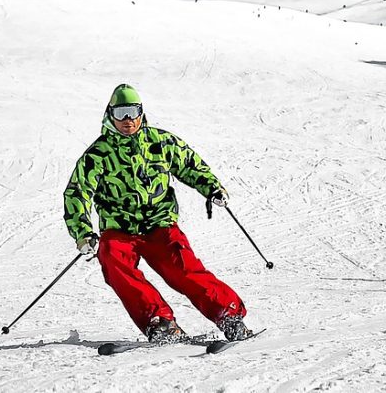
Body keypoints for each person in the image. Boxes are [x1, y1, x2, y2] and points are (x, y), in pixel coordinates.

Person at [63, 83, 253, 343]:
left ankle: (228, 315)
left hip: (159, 224)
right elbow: (78, 192)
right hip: (120, 229)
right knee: (112, 258)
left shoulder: (160, 142)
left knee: (183, 269)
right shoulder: (97, 155)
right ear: (110, 115)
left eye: (133, 111)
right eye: (121, 113)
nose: (128, 120)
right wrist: (83, 232)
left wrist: (212, 188)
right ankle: (160, 322)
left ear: (141, 113)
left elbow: (189, 165)